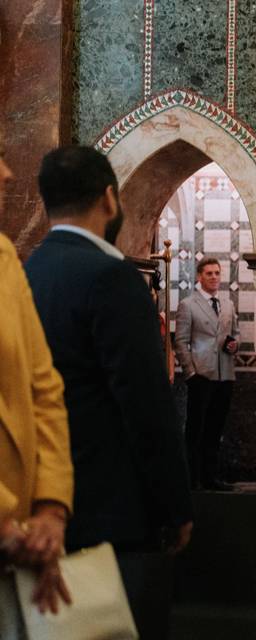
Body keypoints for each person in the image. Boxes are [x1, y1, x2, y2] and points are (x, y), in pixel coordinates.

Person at [25, 145, 193, 637]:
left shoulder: (27, 273)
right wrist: (175, 506)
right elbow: (145, 404)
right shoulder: (113, 277)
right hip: (115, 514)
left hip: (47, 504)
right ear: (109, 198)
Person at [0, 144, 74, 635]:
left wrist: (49, 511)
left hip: (23, 539)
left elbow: (43, 387)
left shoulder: (4, 256)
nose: (7, 173)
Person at [174, 257, 239, 490]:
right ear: (199, 277)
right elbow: (180, 342)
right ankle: (192, 480)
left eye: (217, 273)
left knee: (215, 429)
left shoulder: (227, 304)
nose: (214, 277)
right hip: (201, 375)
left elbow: (236, 332)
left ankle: (211, 478)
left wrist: (235, 344)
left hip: (225, 375)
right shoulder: (188, 304)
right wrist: (190, 373)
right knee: (196, 430)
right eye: (209, 273)